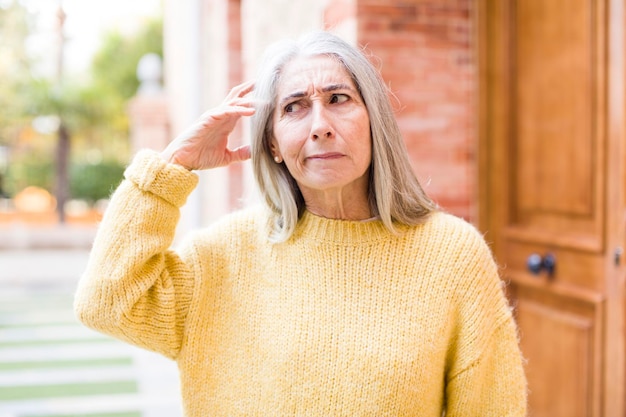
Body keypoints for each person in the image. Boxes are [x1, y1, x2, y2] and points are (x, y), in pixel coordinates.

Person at [74, 31, 527, 416]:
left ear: (375, 122)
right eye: (294, 107)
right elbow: (107, 300)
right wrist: (173, 167)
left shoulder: (452, 255)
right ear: (272, 143)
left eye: (339, 99)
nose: (320, 125)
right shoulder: (222, 256)